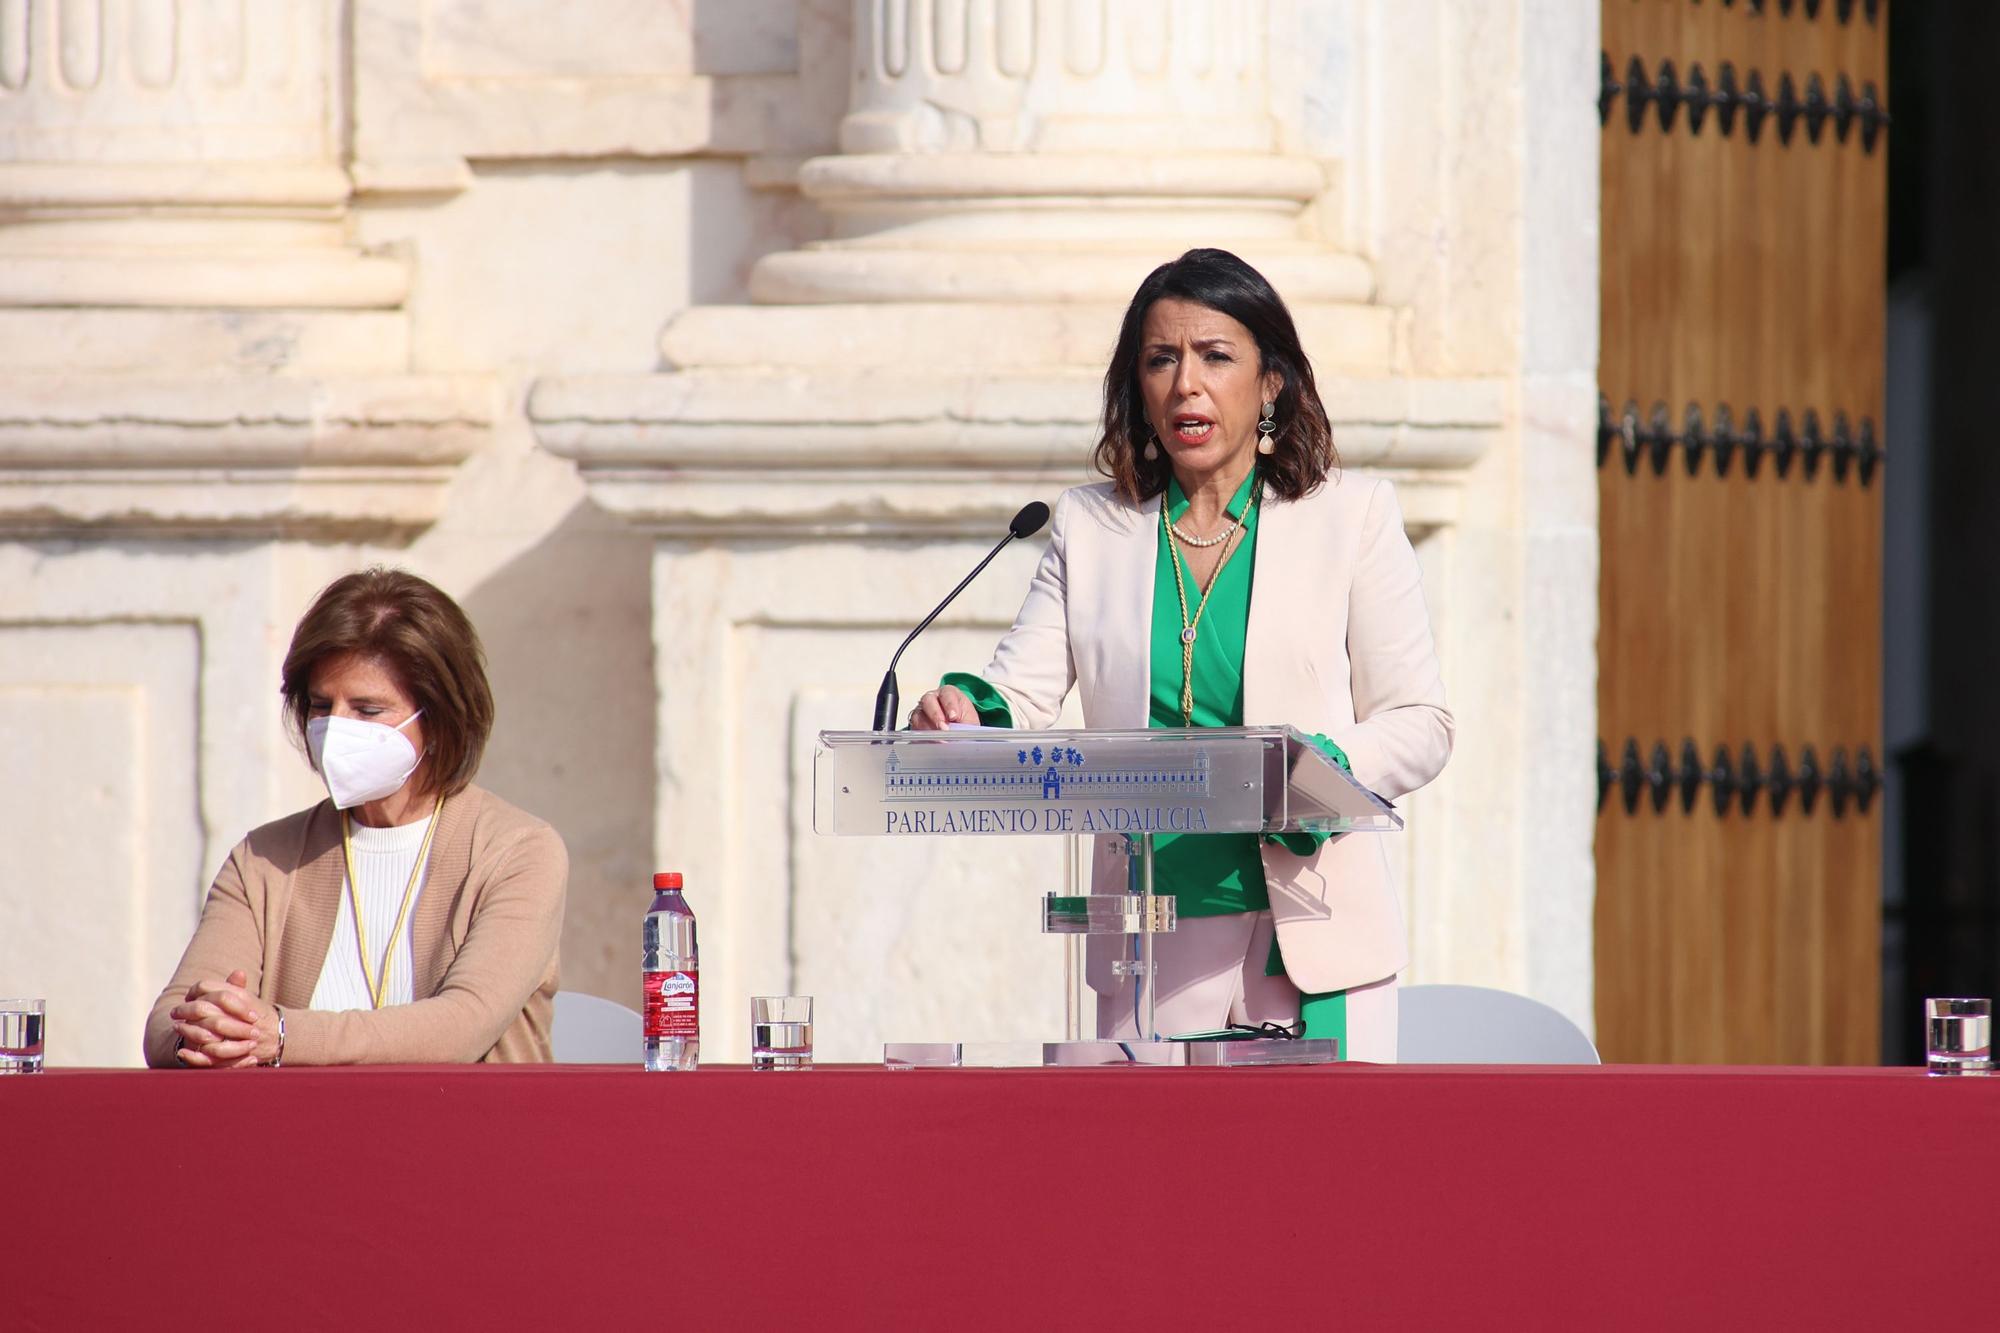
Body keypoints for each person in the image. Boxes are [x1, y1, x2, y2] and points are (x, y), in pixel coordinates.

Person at [909, 248, 1453, 1061]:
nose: (1185, 383)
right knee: (1153, 1185)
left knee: (1318, 1186)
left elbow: (1422, 723)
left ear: (1272, 383)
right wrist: (963, 708)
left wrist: (1321, 769)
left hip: (1316, 934)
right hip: (1147, 938)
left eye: (1215, 356)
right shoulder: (1092, 526)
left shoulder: (1351, 517)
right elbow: (1015, 697)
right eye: (1161, 359)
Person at [143, 568, 567, 1067]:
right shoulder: (265, 859)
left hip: (466, 1137)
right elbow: (166, 1024)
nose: (335, 729)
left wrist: (281, 1034)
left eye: (367, 710)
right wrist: (212, 1034)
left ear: (438, 720)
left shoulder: (518, 850)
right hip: (300, 1139)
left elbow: (463, 1026)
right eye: (322, 705)